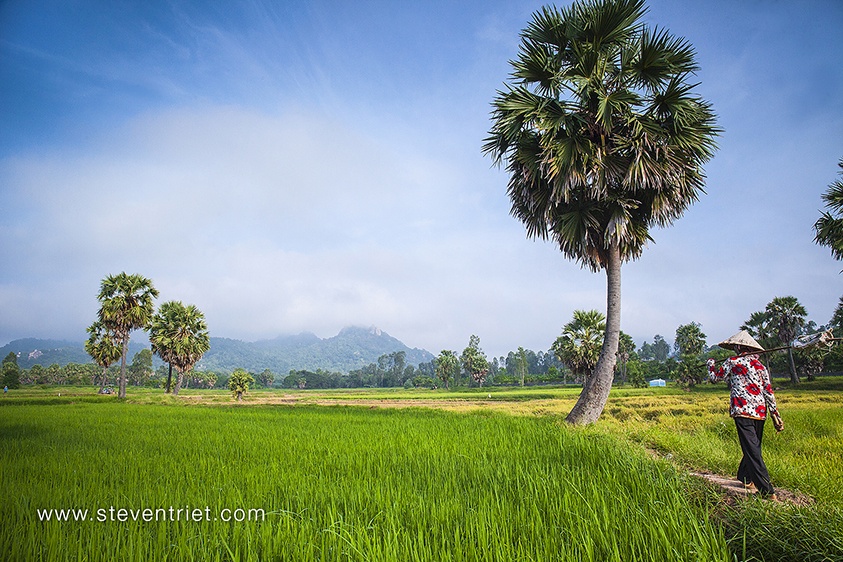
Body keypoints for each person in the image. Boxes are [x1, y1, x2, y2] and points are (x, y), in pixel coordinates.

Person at [708, 330, 784, 500]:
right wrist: (775, 414)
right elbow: (768, 391)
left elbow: (715, 378)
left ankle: (766, 490)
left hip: (742, 410)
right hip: (760, 412)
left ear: (739, 347)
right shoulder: (760, 366)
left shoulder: (732, 361)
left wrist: (710, 364)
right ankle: (745, 477)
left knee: (752, 449)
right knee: (753, 446)